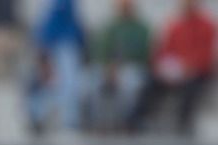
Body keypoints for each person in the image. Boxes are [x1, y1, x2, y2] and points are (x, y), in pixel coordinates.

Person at [128, 0, 216, 136]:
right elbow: (164, 51)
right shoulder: (175, 25)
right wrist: (163, 67)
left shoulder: (207, 25)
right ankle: (138, 121)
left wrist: (190, 66)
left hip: (198, 72)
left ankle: (183, 125)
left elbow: (206, 55)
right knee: (151, 81)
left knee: (191, 87)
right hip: (175, 70)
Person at [84, 0, 151, 132]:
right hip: (108, 67)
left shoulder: (141, 29)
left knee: (130, 84)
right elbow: (101, 52)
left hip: (132, 67)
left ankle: (126, 121)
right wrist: (109, 68)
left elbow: (144, 53)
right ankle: (96, 122)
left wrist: (121, 66)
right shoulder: (109, 27)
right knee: (89, 82)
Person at [26, 0, 87, 133]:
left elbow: (75, 23)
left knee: (69, 85)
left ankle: (69, 122)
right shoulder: (50, 6)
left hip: (67, 45)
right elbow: (42, 27)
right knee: (50, 84)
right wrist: (43, 54)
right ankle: (39, 117)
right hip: (52, 46)